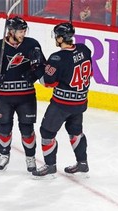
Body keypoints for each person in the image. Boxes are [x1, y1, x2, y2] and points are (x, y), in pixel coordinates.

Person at [0, 16, 46, 172]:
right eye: (20, 31)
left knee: (27, 128)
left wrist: (35, 74)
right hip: (4, 96)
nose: (23, 34)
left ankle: (30, 158)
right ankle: (4, 155)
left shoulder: (32, 44)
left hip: (26, 95)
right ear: (10, 31)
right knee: (4, 127)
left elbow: (42, 66)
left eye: (24, 31)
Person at [31, 22, 92, 178]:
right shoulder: (85, 50)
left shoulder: (57, 57)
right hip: (80, 103)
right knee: (75, 132)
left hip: (62, 105)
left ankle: (50, 166)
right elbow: (88, 73)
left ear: (60, 38)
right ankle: (82, 163)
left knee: (46, 132)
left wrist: (38, 67)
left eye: (56, 36)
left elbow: (47, 83)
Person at [39, 0, 105, 24]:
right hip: (58, 15)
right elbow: (74, 4)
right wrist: (79, 12)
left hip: (96, 21)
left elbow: (105, 8)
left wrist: (92, 12)